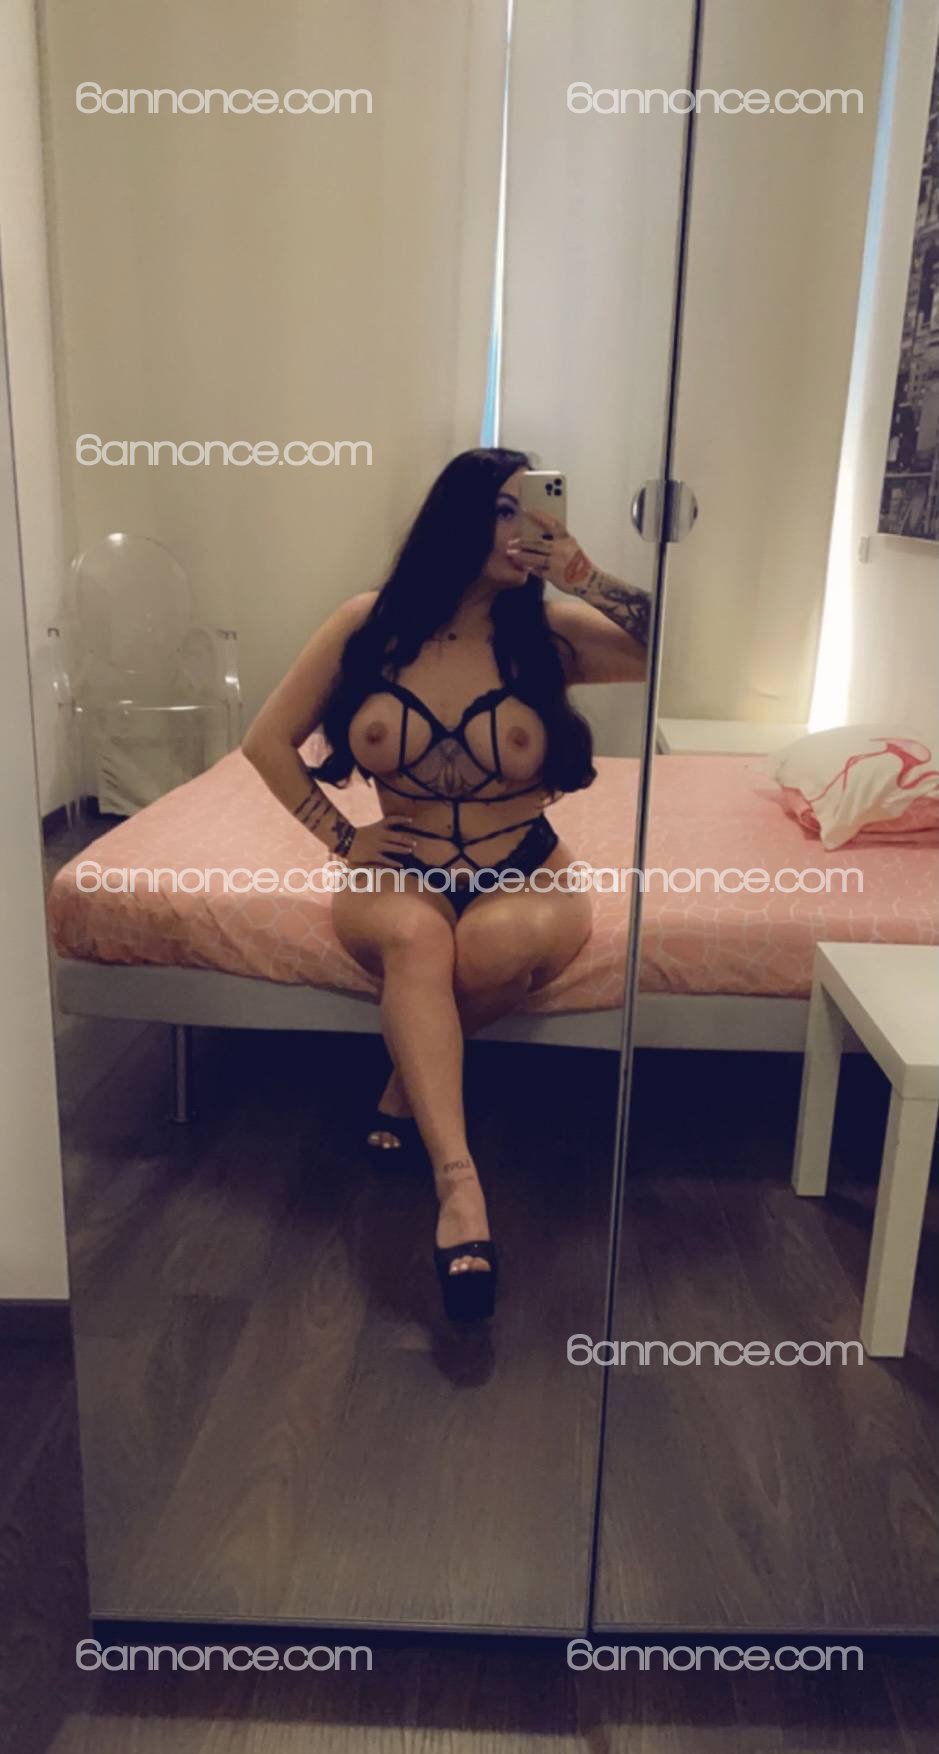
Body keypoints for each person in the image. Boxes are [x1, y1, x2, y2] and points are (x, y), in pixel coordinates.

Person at [242, 448, 650, 1319]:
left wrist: (585, 576)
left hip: (525, 866)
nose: (522, 528)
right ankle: (460, 1188)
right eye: (502, 510)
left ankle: (403, 1081)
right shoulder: (368, 626)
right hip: (399, 870)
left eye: (531, 509)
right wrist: (340, 836)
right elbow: (265, 742)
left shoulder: (547, 635)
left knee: (492, 945)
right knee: (417, 938)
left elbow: (665, 650)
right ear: (456, 519)